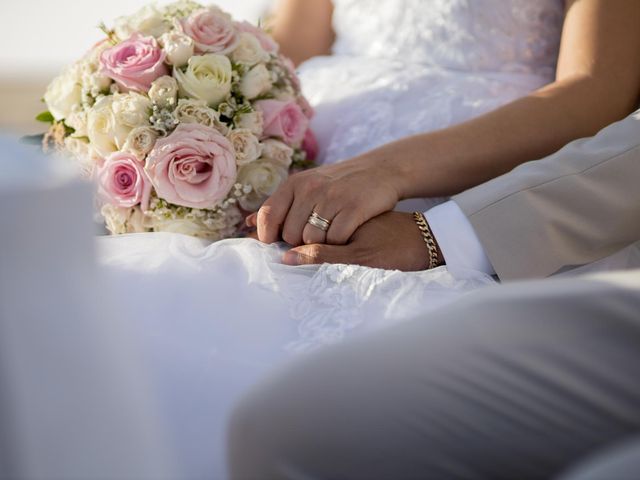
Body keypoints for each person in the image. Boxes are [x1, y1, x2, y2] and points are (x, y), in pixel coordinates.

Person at [94, 0, 640, 477]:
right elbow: (300, 40)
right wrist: (194, 112)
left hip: (482, 168)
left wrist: (387, 172)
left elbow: (594, 92)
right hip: (306, 155)